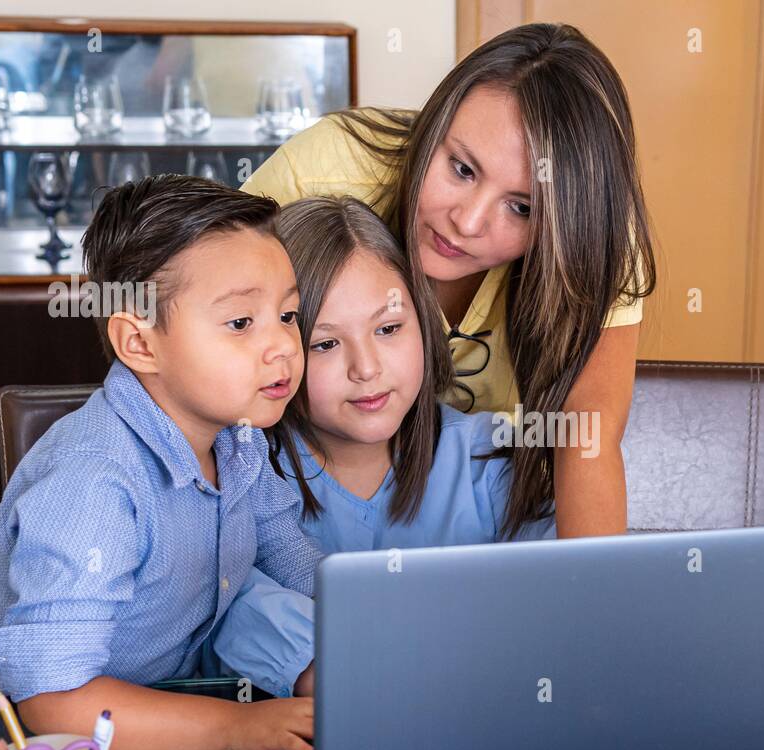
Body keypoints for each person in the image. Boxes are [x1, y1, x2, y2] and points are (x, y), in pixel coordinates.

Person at [0, 175, 322, 750]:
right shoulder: (95, 482)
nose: (284, 347)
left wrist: (386, 625)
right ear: (139, 344)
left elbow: (298, 565)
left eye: (288, 315)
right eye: (241, 323)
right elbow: (53, 701)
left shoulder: (239, 443)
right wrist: (236, 727)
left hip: (142, 725)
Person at [241, 22, 656, 539]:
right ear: (433, 125)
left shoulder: (599, 240)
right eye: (461, 169)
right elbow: (205, 327)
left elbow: (585, 432)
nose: (469, 222)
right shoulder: (327, 172)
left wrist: (594, 609)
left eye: (522, 207)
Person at [207, 195, 553, 698]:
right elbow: (224, 601)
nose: (366, 368)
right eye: (325, 343)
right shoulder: (242, 473)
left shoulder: (488, 460)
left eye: (389, 329)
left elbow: (560, 590)